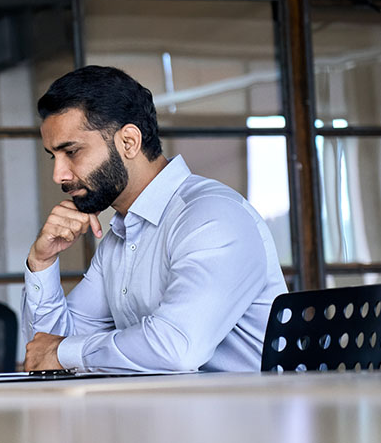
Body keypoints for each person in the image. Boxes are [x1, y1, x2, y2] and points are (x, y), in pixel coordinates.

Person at [22, 66, 287, 373]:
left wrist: (63, 352)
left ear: (129, 142)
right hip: (163, 416)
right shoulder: (119, 239)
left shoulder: (212, 218)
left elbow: (176, 349)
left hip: (249, 419)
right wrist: (42, 262)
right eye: (53, 157)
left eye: (71, 152)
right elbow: (48, 351)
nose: (59, 175)